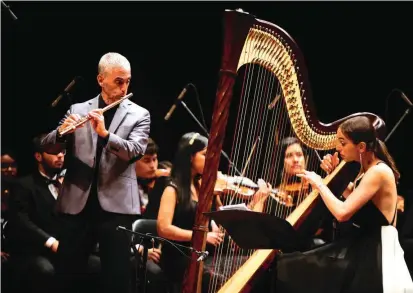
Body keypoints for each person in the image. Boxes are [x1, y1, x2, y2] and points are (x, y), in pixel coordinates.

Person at [41, 52, 150, 293]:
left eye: (127, 82)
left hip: (116, 209)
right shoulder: (78, 109)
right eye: (118, 81)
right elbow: (47, 146)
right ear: (101, 79)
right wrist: (61, 134)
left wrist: (105, 135)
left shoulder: (140, 114)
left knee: (116, 279)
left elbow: (134, 151)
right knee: (68, 277)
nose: (124, 88)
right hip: (77, 204)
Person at [272, 116, 413, 293]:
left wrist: (320, 183)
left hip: (377, 253)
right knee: (289, 266)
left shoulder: (378, 171)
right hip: (365, 247)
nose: (338, 148)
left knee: (291, 268)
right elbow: (354, 197)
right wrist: (333, 177)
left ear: (361, 147)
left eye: (342, 142)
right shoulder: (368, 170)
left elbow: (342, 212)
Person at [157, 132, 224, 292]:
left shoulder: (202, 187)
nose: (210, 158)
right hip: (178, 257)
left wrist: (215, 220)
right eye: (204, 154)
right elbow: (164, 229)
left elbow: (211, 216)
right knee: (215, 279)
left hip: (200, 254)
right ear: (189, 157)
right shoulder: (172, 189)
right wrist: (202, 236)